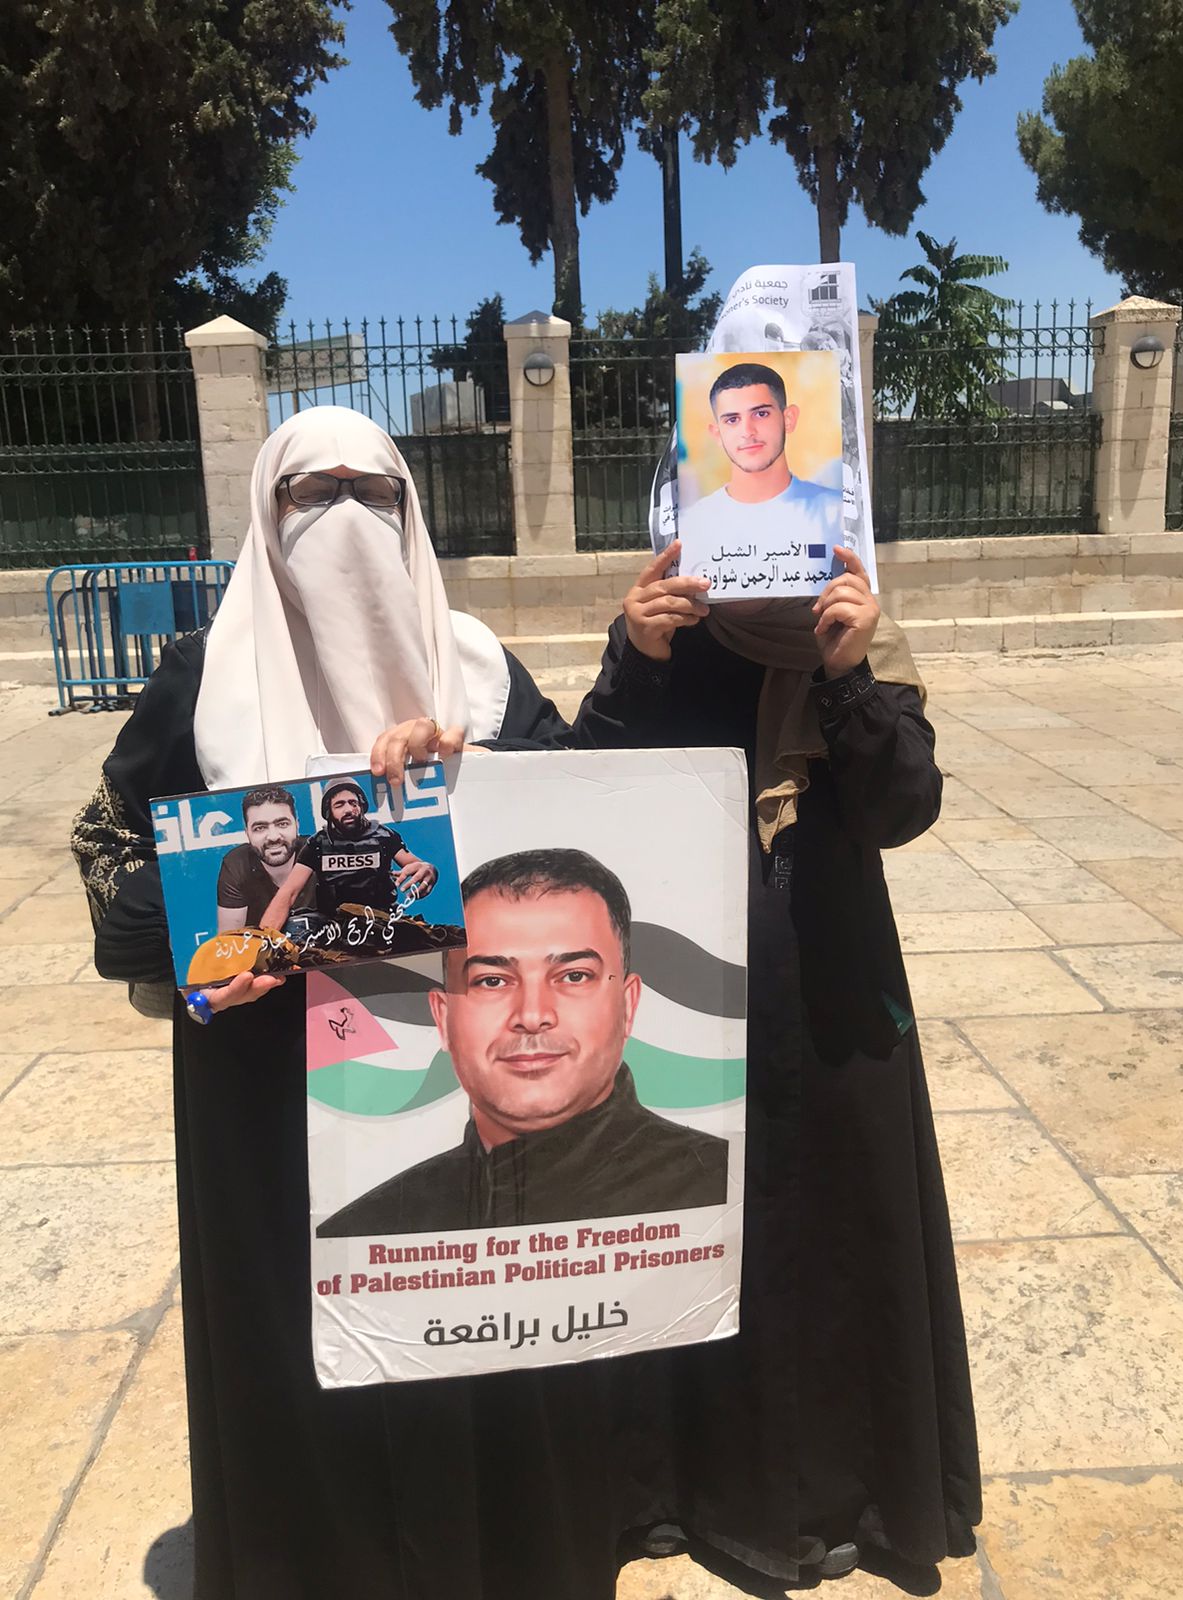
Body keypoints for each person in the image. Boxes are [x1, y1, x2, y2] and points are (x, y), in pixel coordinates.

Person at [72, 407, 645, 1600]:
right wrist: (257, 878)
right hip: (267, 1097)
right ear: (264, 514)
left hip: (460, 1082)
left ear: (411, 511)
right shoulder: (204, 680)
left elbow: (582, 830)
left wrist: (474, 778)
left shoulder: (478, 669)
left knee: (477, 1323)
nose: (343, 517)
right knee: (300, 1339)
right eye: (310, 492)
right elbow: (111, 867)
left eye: (372, 492)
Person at [570, 537, 981, 1584]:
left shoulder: (856, 635)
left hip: (833, 994)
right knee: (688, 1220)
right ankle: (680, 1488)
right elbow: (588, 797)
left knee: (834, 1228)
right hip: (686, 994)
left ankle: (842, 1492)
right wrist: (637, 662)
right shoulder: (668, 632)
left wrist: (846, 675)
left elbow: (902, 807)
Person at [317, 847, 728, 1236]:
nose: (532, 1016)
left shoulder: (724, 1190)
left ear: (628, 1005)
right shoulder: (363, 1233)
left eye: (574, 976)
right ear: (443, 1017)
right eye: (492, 981)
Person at [682, 361, 843, 551]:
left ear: (788, 419)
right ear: (717, 434)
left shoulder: (837, 515)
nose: (747, 431)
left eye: (761, 414)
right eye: (732, 420)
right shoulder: (691, 526)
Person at [259, 777, 436, 930]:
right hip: (333, 924)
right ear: (329, 811)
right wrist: (265, 937)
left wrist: (429, 870)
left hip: (380, 918)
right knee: (295, 928)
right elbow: (289, 892)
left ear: (361, 806)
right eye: (339, 804)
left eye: (353, 803)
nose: (348, 809)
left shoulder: (383, 836)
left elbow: (417, 865)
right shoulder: (318, 843)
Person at [215, 785, 314, 931]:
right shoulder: (236, 865)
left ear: (297, 825)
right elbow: (230, 941)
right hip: (261, 945)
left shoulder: (319, 852)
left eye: (282, 824)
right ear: (247, 832)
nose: (273, 837)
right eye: (260, 828)